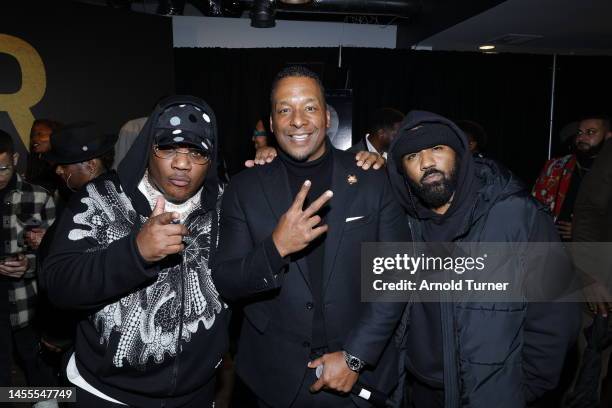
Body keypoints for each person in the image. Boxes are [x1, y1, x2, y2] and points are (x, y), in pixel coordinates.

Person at [213, 66, 409, 407]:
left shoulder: (373, 180)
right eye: (284, 109)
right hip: (274, 380)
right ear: (272, 124)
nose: (298, 120)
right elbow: (226, 282)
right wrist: (275, 249)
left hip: (356, 375)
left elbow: (397, 277)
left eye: (309, 107)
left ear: (327, 117)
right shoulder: (244, 188)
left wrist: (354, 357)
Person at [42, 96, 230, 407]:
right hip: (104, 394)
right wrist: (135, 253)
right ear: (147, 147)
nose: (182, 163)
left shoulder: (227, 206)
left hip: (195, 394)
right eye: (168, 147)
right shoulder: (99, 199)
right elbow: (59, 285)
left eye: (197, 151)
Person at [386, 111, 581, 407]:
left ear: (461, 154)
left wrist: (522, 387)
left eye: (437, 149)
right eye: (413, 156)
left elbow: (557, 314)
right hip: (414, 391)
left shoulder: (516, 214)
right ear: (402, 169)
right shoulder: (401, 222)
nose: (427, 163)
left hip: (489, 394)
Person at [0, 129, 56, 397]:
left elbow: (58, 257)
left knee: (41, 382)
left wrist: (29, 265)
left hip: (27, 307)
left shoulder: (40, 197)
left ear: (15, 158)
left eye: (3, 168)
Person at [532, 115, 611, 241]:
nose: (581, 137)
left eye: (591, 132)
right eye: (579, 132)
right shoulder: (556, 166)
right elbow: (534, 207)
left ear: (608, 136)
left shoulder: (606, 170)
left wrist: (582, 229)